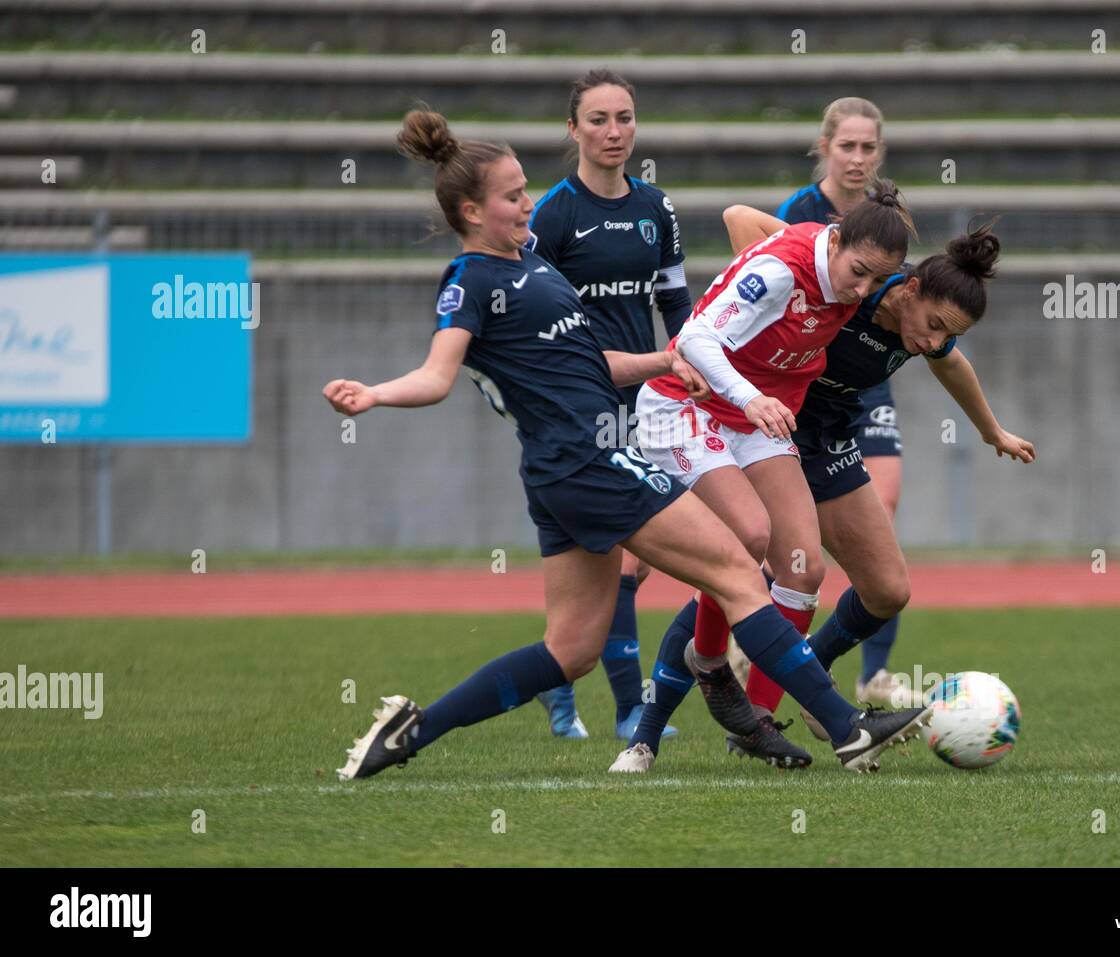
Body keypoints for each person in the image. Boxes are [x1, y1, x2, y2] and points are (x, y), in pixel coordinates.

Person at [326, 111, 923, 781]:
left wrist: (667, 361)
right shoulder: (471, 281)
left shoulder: (531, 267)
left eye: (527, 190)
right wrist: (376, 393)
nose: (531, 203)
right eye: (515, 194)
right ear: (472, 209)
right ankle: (845, 728)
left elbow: (592, 366)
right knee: (736, 564)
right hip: (587, 461)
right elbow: (438, 376)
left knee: (570, 649)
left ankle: (413, 727)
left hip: (563, 471)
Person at [610, 180, 930, 773]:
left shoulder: (856, 275)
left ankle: (754, 723)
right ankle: (710, 669)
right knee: (751, 541)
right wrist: (751, 397)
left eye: (872, 281)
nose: (860, 291)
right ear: (835, 240)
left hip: (756, 417)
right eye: (856, 272)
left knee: (805, 567)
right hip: (690, 404)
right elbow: (699, 339)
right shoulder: (783, 269)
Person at [718, 205, 1036, 752]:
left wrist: (991, 431)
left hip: (834, 441)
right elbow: (743, 220)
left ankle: (808, 669)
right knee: (765, 570)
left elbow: (950, 364)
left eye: (948, 335)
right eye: (934, 327)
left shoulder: (929, 333)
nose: (935, 342)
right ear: (909, 289)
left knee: (888, 591)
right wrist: (764, 296)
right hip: (775, 430)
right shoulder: (858, 284)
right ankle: (703, 720)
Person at [525, 69, 692, 742]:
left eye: (624, 117)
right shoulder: (554, 214)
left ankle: (558, 678)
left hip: (647, 396)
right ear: (573, 130)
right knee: (622, 557)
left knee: (622, 563)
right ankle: (630, 708)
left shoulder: (656, 207)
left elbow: (675, 303)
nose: (614, 131)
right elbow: (531, 310)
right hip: (579, 402)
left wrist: (687, 363)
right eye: (598, 119)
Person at [773, 95, 920, 705]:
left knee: (880, 509)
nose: (857, 158)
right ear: (825, 148)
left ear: (879, 153)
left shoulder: (889, 216)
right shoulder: (800, 212)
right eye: (846, 146)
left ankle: (873, 672)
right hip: (806, 378)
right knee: (788, 540)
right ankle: (764, 621)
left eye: (868, 148)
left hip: (866, 381)